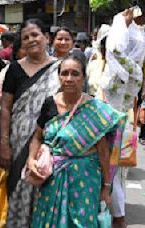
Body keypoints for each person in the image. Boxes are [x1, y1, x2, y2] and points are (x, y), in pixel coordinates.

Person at [30, 53, 127, 227]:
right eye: (64, 73)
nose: (69, 78)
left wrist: (106, 187)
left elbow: (103, 151)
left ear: (83, 78)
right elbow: (37, 137)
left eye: (75, 74)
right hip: (53, 176)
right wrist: (31, 160)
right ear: (58, 77)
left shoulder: (94, 108)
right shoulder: (49, 104)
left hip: (86, 177)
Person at [0, 18, 61, 228]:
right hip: (19, 141)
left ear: (46, 37)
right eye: (25, 37)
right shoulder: (14, 70)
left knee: (46, 183)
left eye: (35, 35)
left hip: (50, 140)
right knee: (19, 182)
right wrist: (5, 144)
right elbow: (6, 107)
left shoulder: (60, 69)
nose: (31, 40)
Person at [99, 7, 145, 228]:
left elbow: (116, 48)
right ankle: (117, 216)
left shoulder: (124, 73)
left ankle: (117, 217)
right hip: (117, 122)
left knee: (113, 173)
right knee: (114, 175)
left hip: (114, 125)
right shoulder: (127, 74)